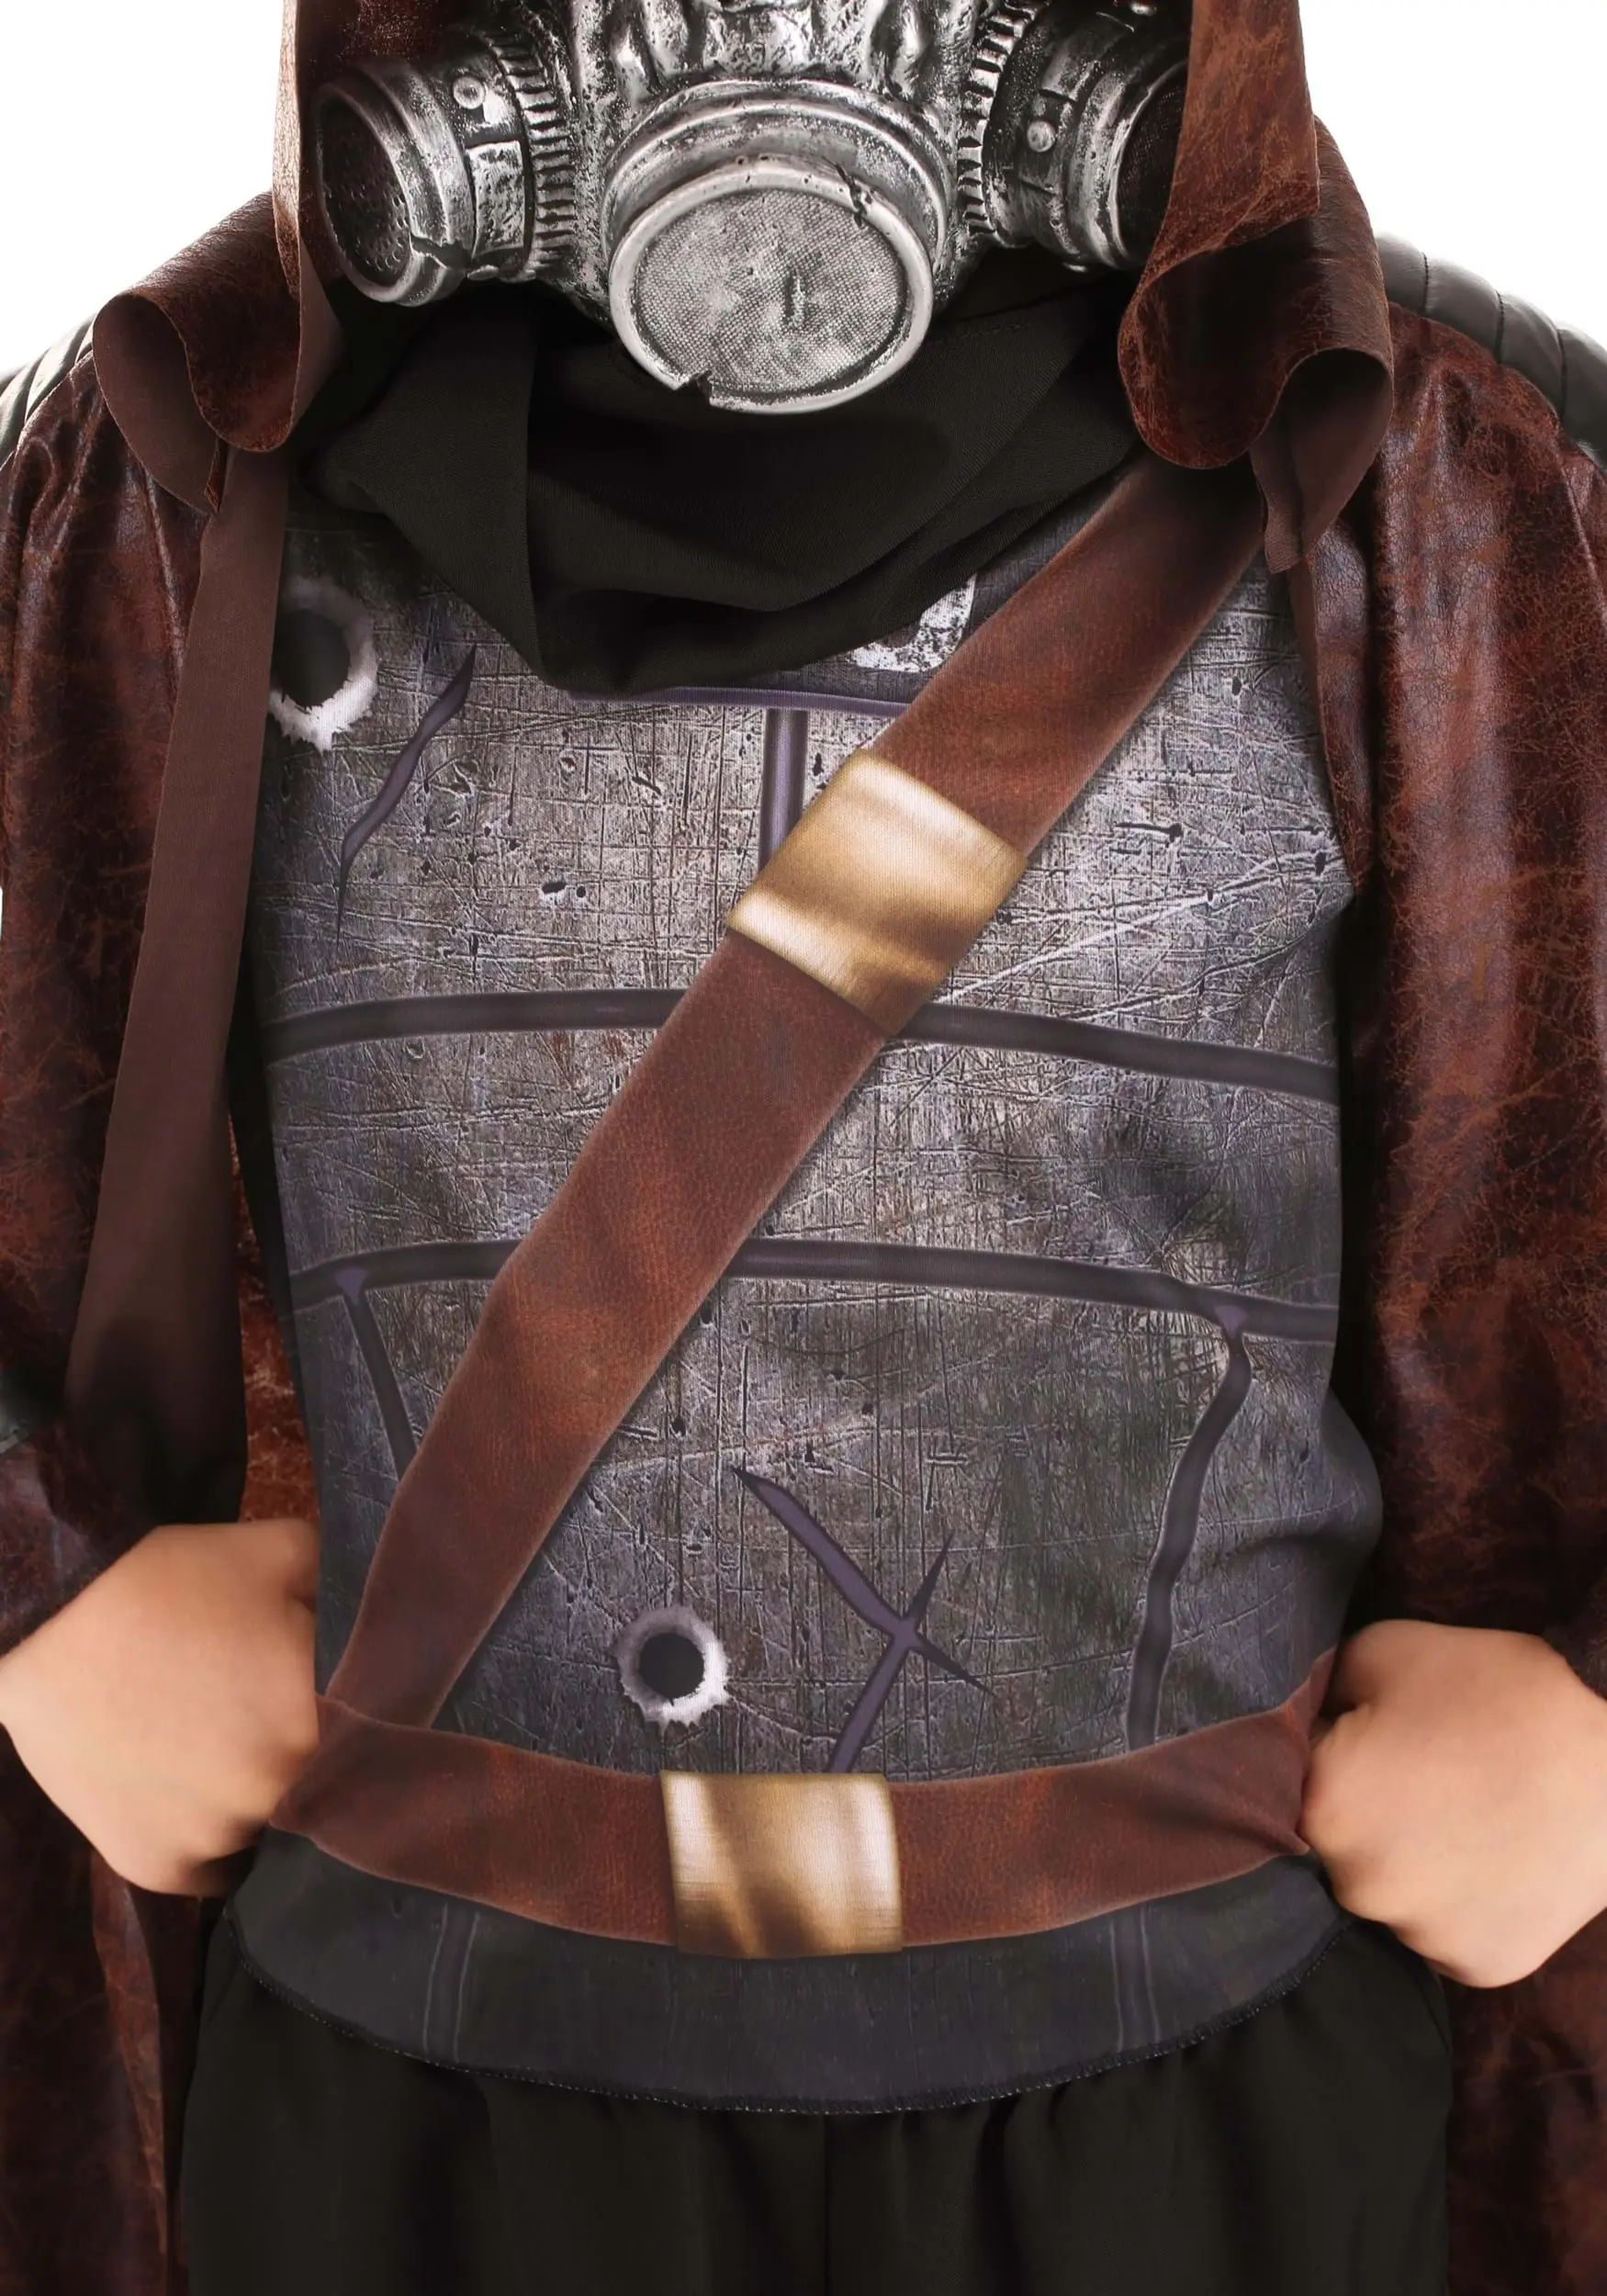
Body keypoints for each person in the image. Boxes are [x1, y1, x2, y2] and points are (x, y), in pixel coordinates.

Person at [1, 0, 1605, 2290]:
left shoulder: (1457, 468)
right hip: (400, 2124)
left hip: (1205, 2129)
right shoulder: (164, 456)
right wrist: (38, 1593)